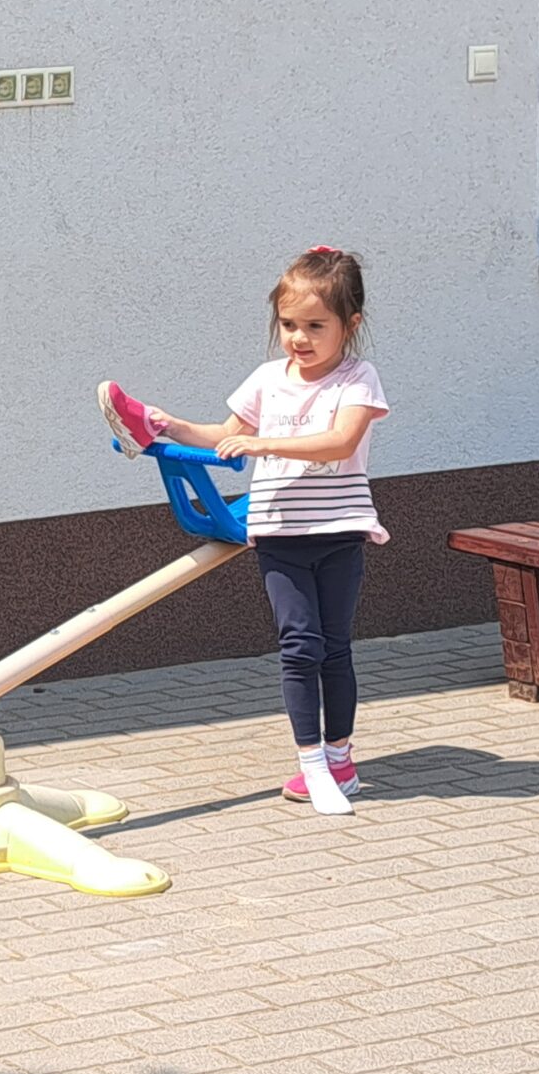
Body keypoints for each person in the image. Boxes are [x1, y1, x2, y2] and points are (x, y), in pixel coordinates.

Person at [98, 246, 390, 815]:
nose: (299, 338)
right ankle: (312, 763)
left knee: (335, 648)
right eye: (288, 324)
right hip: (280, 531)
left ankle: (341, 758)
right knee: (299, 646)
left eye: (315, 326)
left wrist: (262, 444)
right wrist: (169, 425)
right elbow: (224, 436)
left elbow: (341, 442)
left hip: (339, 528)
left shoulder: (358, 378)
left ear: (350, 324)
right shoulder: (267, 379)